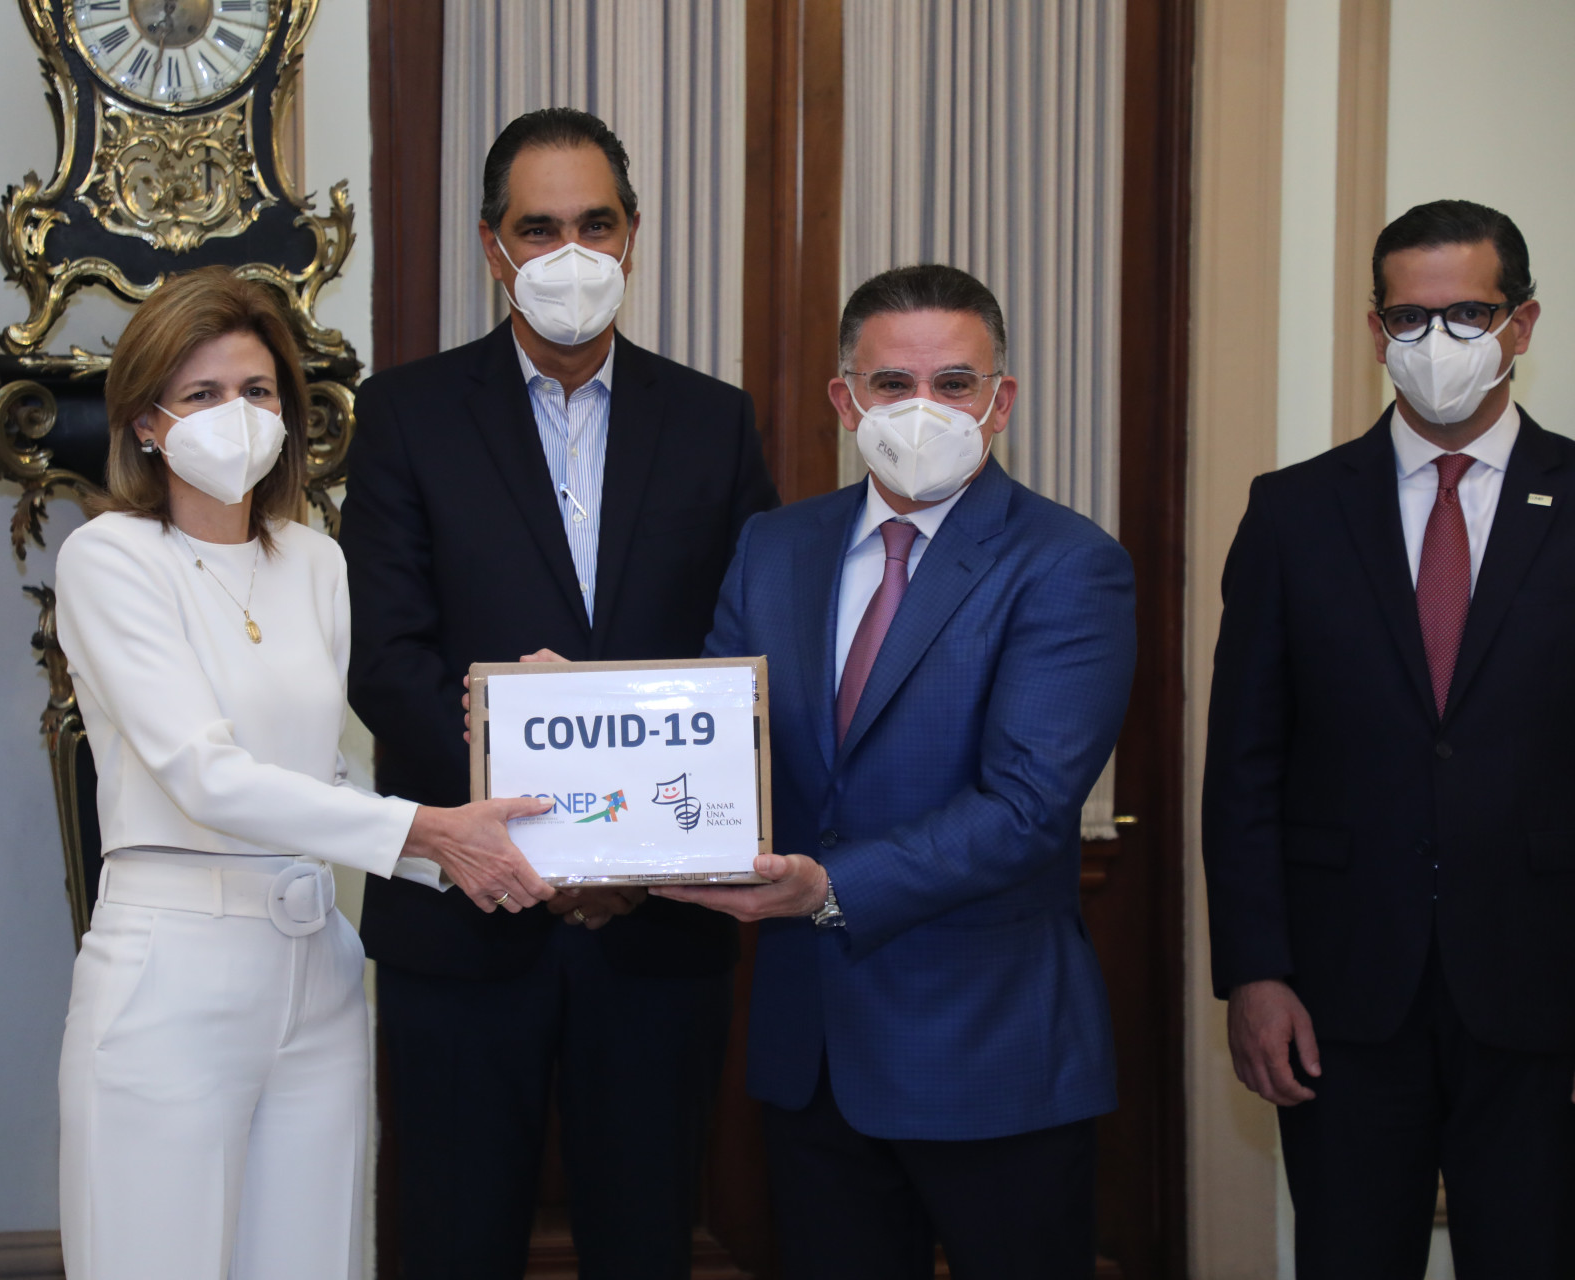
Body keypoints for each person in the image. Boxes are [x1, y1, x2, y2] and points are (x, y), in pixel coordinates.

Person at [340, 107, 779, 1276]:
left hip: (657, 929)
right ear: (493, 247)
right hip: (463, 922)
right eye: (539, 229)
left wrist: (628, 857)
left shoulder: (715, 420)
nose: (569, 254)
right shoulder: (405, 415)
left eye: (595, 223)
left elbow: (746, 653)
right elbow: (386, 658)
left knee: (646, 1243)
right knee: (452, 1243)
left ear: (633, 235)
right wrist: (552, 839)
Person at [54, 267, 553, 1280]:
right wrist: (430, 831)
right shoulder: (110, 558)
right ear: (146, 421)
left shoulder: (314, 559)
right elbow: (205, 775)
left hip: (317, 967)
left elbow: (325, 777)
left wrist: (485, 847)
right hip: (173, 968)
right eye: (201, 394)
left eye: (257, 390)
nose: (235, 415)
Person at [663, 264, 1135, 1279]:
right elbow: (713, 739)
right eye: (892, 383)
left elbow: (1027, 805)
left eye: (955, 383)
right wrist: (582, 718)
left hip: (990, 1054)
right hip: (814, 1055)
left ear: (1000, 401)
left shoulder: (1066, 562)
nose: (925, 408)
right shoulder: (774, 546)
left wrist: (830, 885)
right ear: (846, 401)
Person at [1203, 199, 1573, 1275]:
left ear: (1522, 323)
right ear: (1376, 331)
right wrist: (1255, 972)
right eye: (1409, 318)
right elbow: (1243, 767)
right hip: (1339, 996)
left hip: (1544, 989)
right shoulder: (1293, 513)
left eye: (1468, 314)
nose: (1435, 342)